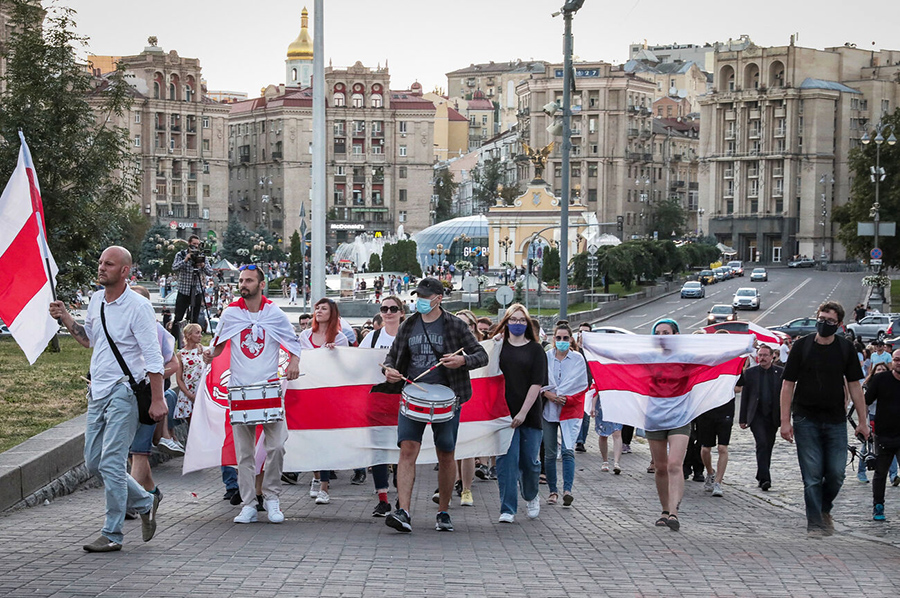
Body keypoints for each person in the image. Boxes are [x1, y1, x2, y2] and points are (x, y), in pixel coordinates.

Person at [49, 246, 167, 552]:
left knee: (113, 463)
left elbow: (153, 356)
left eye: (109, 264)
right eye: (101, 262)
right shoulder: (97, 299)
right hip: (97, 390)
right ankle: (145, 501)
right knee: (95, 461)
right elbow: (90, 339)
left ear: (125, 271)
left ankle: (112, 533)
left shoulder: (138, 307)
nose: (101, 268)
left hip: (124, 391)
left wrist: (158, 399)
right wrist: (65, 318)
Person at [382, 277, 488, 533]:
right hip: (413, 395)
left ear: (438, 299)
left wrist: (462, 361)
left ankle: (443, 511)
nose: (419, 301)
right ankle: (404, 511)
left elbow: (481, 355)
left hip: (448, 398)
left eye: (424, 297)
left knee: (446, 452)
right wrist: (389, 371)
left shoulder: (454, 325)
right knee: (407, 449)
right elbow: (392, 357)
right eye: (417, 296)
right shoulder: (409, 324)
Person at [203, 264, 302, 525]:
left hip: (268, 389)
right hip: (240, 390)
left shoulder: (274, 313)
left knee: (277, 446)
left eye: (249, 280)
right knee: (244, 454)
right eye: (241, 280)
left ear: (261, 284)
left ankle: (271, 497)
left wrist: (294, 362)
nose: (243, 284)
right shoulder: (231, 314)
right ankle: (248, 503)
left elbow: (293, 343)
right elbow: (219, 345)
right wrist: (208, 353)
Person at [780, 301, 868, 536]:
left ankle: (824, 508)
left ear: (839, 324)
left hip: (835, 420)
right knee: (812, 475)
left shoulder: (845, 348)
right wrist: (785, 420)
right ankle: (815, 523)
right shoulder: (802, 347)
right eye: (821, 319)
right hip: (805, 418)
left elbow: (855, 386)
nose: (824, 324)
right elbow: (788, 384)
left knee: (836, 473)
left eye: (829, 321)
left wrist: (863, 420)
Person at [495, 303, 548, 523]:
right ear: (506, 323)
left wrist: (523, 413)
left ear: (527, 323)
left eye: (521, 320)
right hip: (503, 413)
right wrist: (492, 344)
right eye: (513, 320)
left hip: (529, 413)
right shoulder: (498, 347)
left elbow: (537, 384)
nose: (517, 324)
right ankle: (507, 508)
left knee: (530, 462)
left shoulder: (536, 350)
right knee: (507, 461)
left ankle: (531, 494)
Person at [357, 296, 405, 515]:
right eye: (384, 308)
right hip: (377, 399)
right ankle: (383, 498)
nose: (388, 312)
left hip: (404, 399)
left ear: (401, 312)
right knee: (378, 450)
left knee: (403, 449)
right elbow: (356, 363)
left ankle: (401, 495)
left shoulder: (409, 336)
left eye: (393, 308)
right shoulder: (372, 338)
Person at [298, 298, 349, 503]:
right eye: (317, 308)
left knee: (326, 440)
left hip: (329, 396)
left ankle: (325, 487)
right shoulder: (305, 335)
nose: (318, 311)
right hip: (308, 393)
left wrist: (335, 355)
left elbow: (345, 368)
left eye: (323, 308)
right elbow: (301, 360)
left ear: (332, 312)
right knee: (311, 439)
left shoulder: (340, 338)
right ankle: (316, 476)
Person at [645, 318, 690, 532]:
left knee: (674, 464)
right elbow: (619, 356)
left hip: (680, 417)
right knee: (661, 467)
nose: (663, 335)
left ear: (675, 335)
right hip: (654, 417)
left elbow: (715, 356)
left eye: (667, 332)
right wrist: (590, 344)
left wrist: (745, 346)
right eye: (658, 332)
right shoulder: (648, 358)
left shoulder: (686, 357)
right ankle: (664, 510)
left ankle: (674, 512)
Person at [542, 322, 588, 506]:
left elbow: (582, 384)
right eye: (558, 338)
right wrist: (549, 395)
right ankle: (553, 491)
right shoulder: (546, 357)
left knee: (568, 450)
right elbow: (539, 381)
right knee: (550, 452)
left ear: (571, 339)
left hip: (570, 409)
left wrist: (566, 399)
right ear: (553, 339)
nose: (562, 341)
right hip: (549, 409)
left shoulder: (577, 359)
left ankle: (567, 489)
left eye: (565, 338)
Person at [736, 344, 784, 491]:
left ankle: (761, 473)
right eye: (760, 355)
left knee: (768, 445)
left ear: (772, 357)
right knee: (762, 443)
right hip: (756, 415)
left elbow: (785, 396)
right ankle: (765, 479)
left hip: (773, 415)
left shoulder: (780, 372)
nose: (762, 358)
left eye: (765, 355)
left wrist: (785, 417)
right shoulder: (750, 373)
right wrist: (742, 418)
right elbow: (745, 397)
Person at [865, 350, 900, 521]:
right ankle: (878, 506)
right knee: (880, 473)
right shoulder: (881, 380)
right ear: (891, 361)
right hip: (884, 434)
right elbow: (865, 401)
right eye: (896, 359)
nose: (899, 362)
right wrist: (864, 425)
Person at [171, 235, 213, 334]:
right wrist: (185, 260)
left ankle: (192, 340)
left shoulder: (201, 256)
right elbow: (174, 267)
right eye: (194, 244)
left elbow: (210, 272)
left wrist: (203, 265)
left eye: (198, 244)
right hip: (183, 290)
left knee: (194, 319)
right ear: (189, 243)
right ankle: (174, 339)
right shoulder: (181, 254)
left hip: (197, 290)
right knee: (178, 317)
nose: (196, 246)